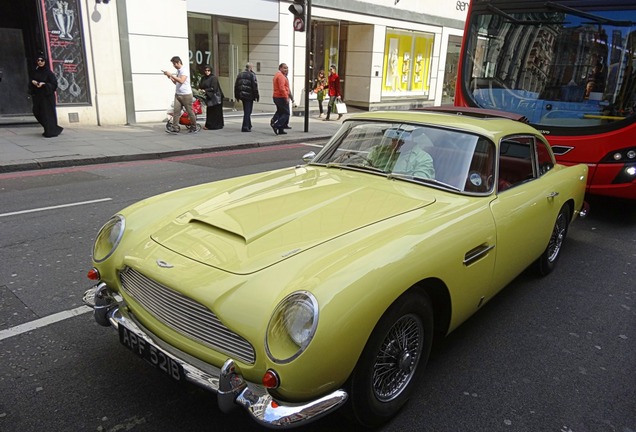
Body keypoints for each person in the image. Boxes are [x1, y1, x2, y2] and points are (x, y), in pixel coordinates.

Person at [368, 129, 435, 178]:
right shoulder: (378, 151)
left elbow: (419, 184)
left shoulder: (423, 158)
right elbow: (365, 168)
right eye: (394, 138)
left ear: (412, 139)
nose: (396, 142)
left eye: (403, 139)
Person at [30, 55, 63, 138]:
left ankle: (50, 131)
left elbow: (54, 84)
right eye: (38, 60)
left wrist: (44, 84)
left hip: (47, 96)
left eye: (42, 60)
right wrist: (33, 82)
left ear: (45, 62)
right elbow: (32, 81)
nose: (40, 62)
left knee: (48, 113)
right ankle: (50, 128)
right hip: (39, 96)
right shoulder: (36, 71)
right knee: (37, 111)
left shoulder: (48, 72)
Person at [164, 56, 198, 133]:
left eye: (174, 64)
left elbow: (181, 81)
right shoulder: (178, 71)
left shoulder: (184, 70)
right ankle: (175, 127)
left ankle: (194, 126)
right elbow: (176, 82)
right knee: (176, 111)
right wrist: (170, 77)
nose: (174, 66)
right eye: (173, 64)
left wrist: (171, 75)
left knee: (189, 111)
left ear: (179, 62)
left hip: (186, 94)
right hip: (178, 94)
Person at [234, 62, 259, 132]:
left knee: (246, 110)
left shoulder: (240, 74)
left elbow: (236, 86)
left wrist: (237, 95)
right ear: (250, 67)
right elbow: (255, 86)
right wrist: (256, 95)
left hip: (242, 95)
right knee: (248, 111)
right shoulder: (252, 75)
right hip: (249, 96)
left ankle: (249, 124)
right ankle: (245, 126)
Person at [199, 65, 224, 130]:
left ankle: (216, 125)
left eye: (208, 70)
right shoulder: (203, 78)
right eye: (206, 70)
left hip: (215, 97)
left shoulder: (213, 78)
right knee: (210, 111)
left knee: (216, 112)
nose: (207, 72)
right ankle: (209, 125)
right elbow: (201, 85)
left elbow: (214, 88)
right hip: (209, 97)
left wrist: (205, 90)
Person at [270, 63, 291, 135]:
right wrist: (286, 97)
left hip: (277, 96)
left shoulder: (277, 75)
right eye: (284, 68)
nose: (286, 69)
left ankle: (280, 129)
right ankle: (276, 125)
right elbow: (282, 88)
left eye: (287, 68)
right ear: (280, 68)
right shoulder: (281, 76)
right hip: (280, 97)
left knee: (280, 111)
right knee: (286, 113)